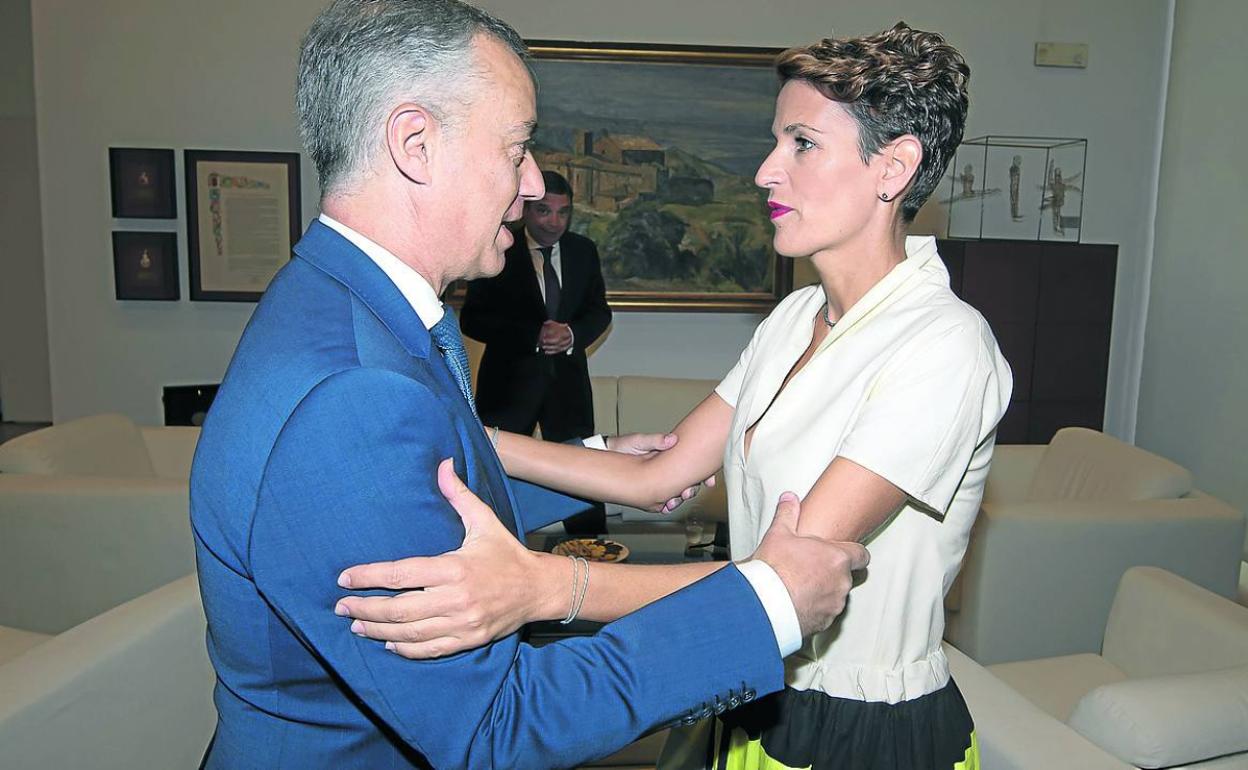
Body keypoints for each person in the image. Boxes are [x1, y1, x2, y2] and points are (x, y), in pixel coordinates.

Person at [188, 1, 870, 768]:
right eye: (517, 148)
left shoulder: (340, 306)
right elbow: (492, 729)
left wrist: (603, 466)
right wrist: (767, 604)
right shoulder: (351, 395)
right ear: (415, 144)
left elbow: (429, 490)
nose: (534, 181)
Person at [339, 21, 1012, 770]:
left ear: (895, 167)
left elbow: (785, 579)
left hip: (862, 725)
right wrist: (471, 437)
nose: (766, 171)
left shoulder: (944, 346)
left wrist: (542, 586)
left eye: (802, 144)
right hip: (754, 680)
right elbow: (658, 475)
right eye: (775, 141)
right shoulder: (795, 318)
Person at [461, 169, 612, 532]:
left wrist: (572, 334)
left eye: (563, 212)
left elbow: (599, 312)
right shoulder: (498, 246)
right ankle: (488, 551)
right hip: (508, 389)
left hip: (568, 388)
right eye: (544, 211)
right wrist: (533, 335)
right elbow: (472, 319)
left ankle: (594, 554)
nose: (554, 222)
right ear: (526, 210)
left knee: (583, 475)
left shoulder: (582, 251)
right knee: (493, 480)